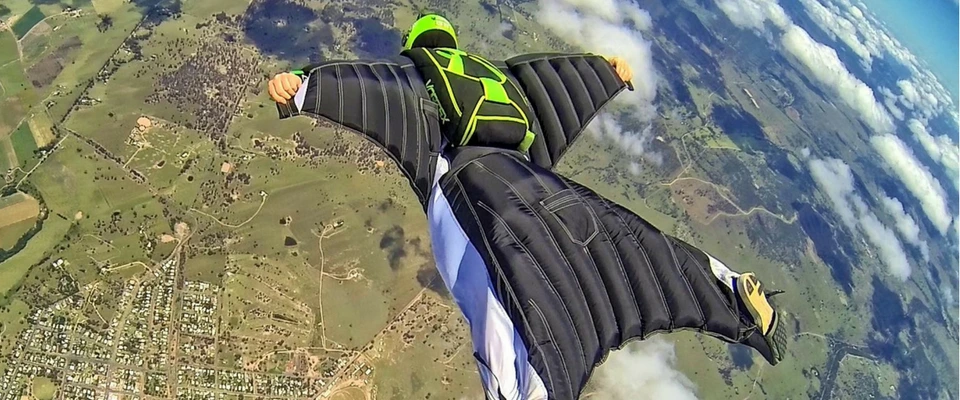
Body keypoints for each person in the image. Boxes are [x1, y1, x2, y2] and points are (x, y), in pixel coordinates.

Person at [267, 14, 788, 400]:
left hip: (471, 197)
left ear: (416, 47)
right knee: (618, 240)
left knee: (504, 316)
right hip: (537, 181)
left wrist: (299, 89)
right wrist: (610, 72)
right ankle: (726, 294)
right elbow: (566, 84)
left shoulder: (415, 78)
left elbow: (364, 90)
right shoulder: (504, 79)